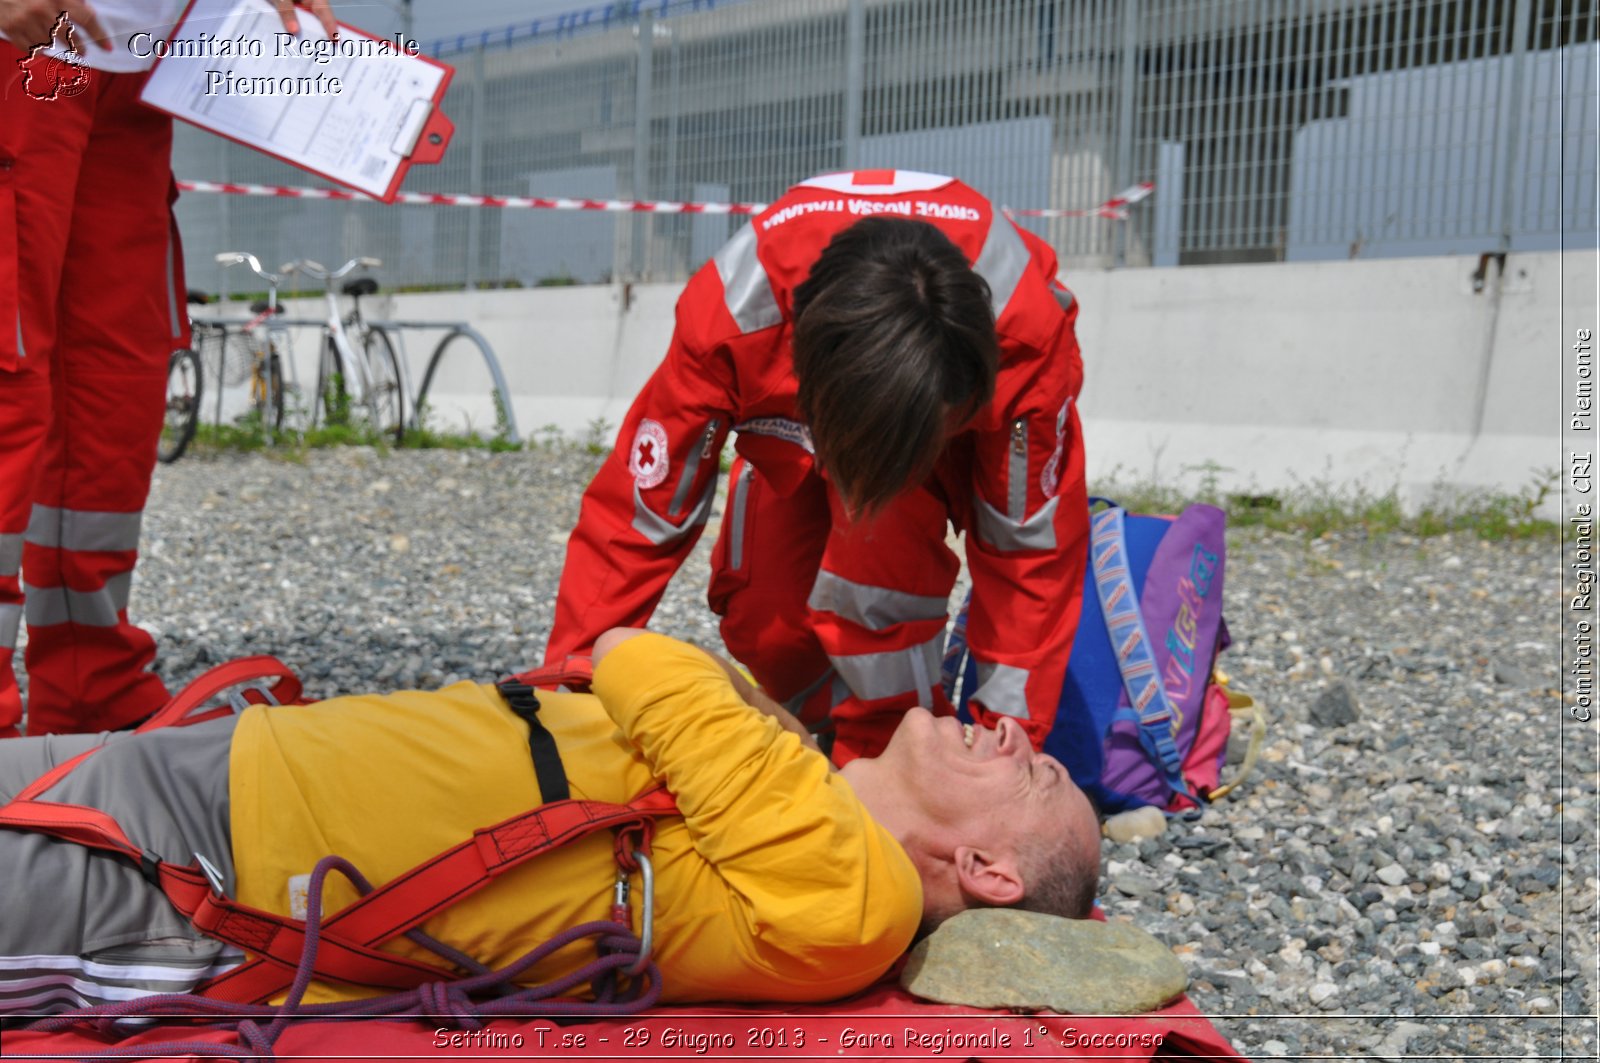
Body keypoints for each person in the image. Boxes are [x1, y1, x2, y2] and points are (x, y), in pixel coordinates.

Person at [0, 629, 1100, 1015]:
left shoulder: (863, 901)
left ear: (989, 871)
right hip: (202, 777)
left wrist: (697, 689)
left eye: (1038, 775)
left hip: (187, 888)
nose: (1008, 734)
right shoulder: (788, 787)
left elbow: (639, 658)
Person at [546, 169, 1089, 764]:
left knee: (877, 579)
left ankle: (889, 752)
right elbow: (638, 513)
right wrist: (563, 704)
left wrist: (1002, 753)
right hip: (795, 445)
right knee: (764, 620)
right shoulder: (732, 318)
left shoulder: (1027, 342)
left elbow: (1029, 552)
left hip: (937, 439)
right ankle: (833, 732)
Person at [0, 0, 335, 738]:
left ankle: (92, 688)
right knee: (7, 381)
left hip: (136, 68)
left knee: (109, 389)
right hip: (17, 48)